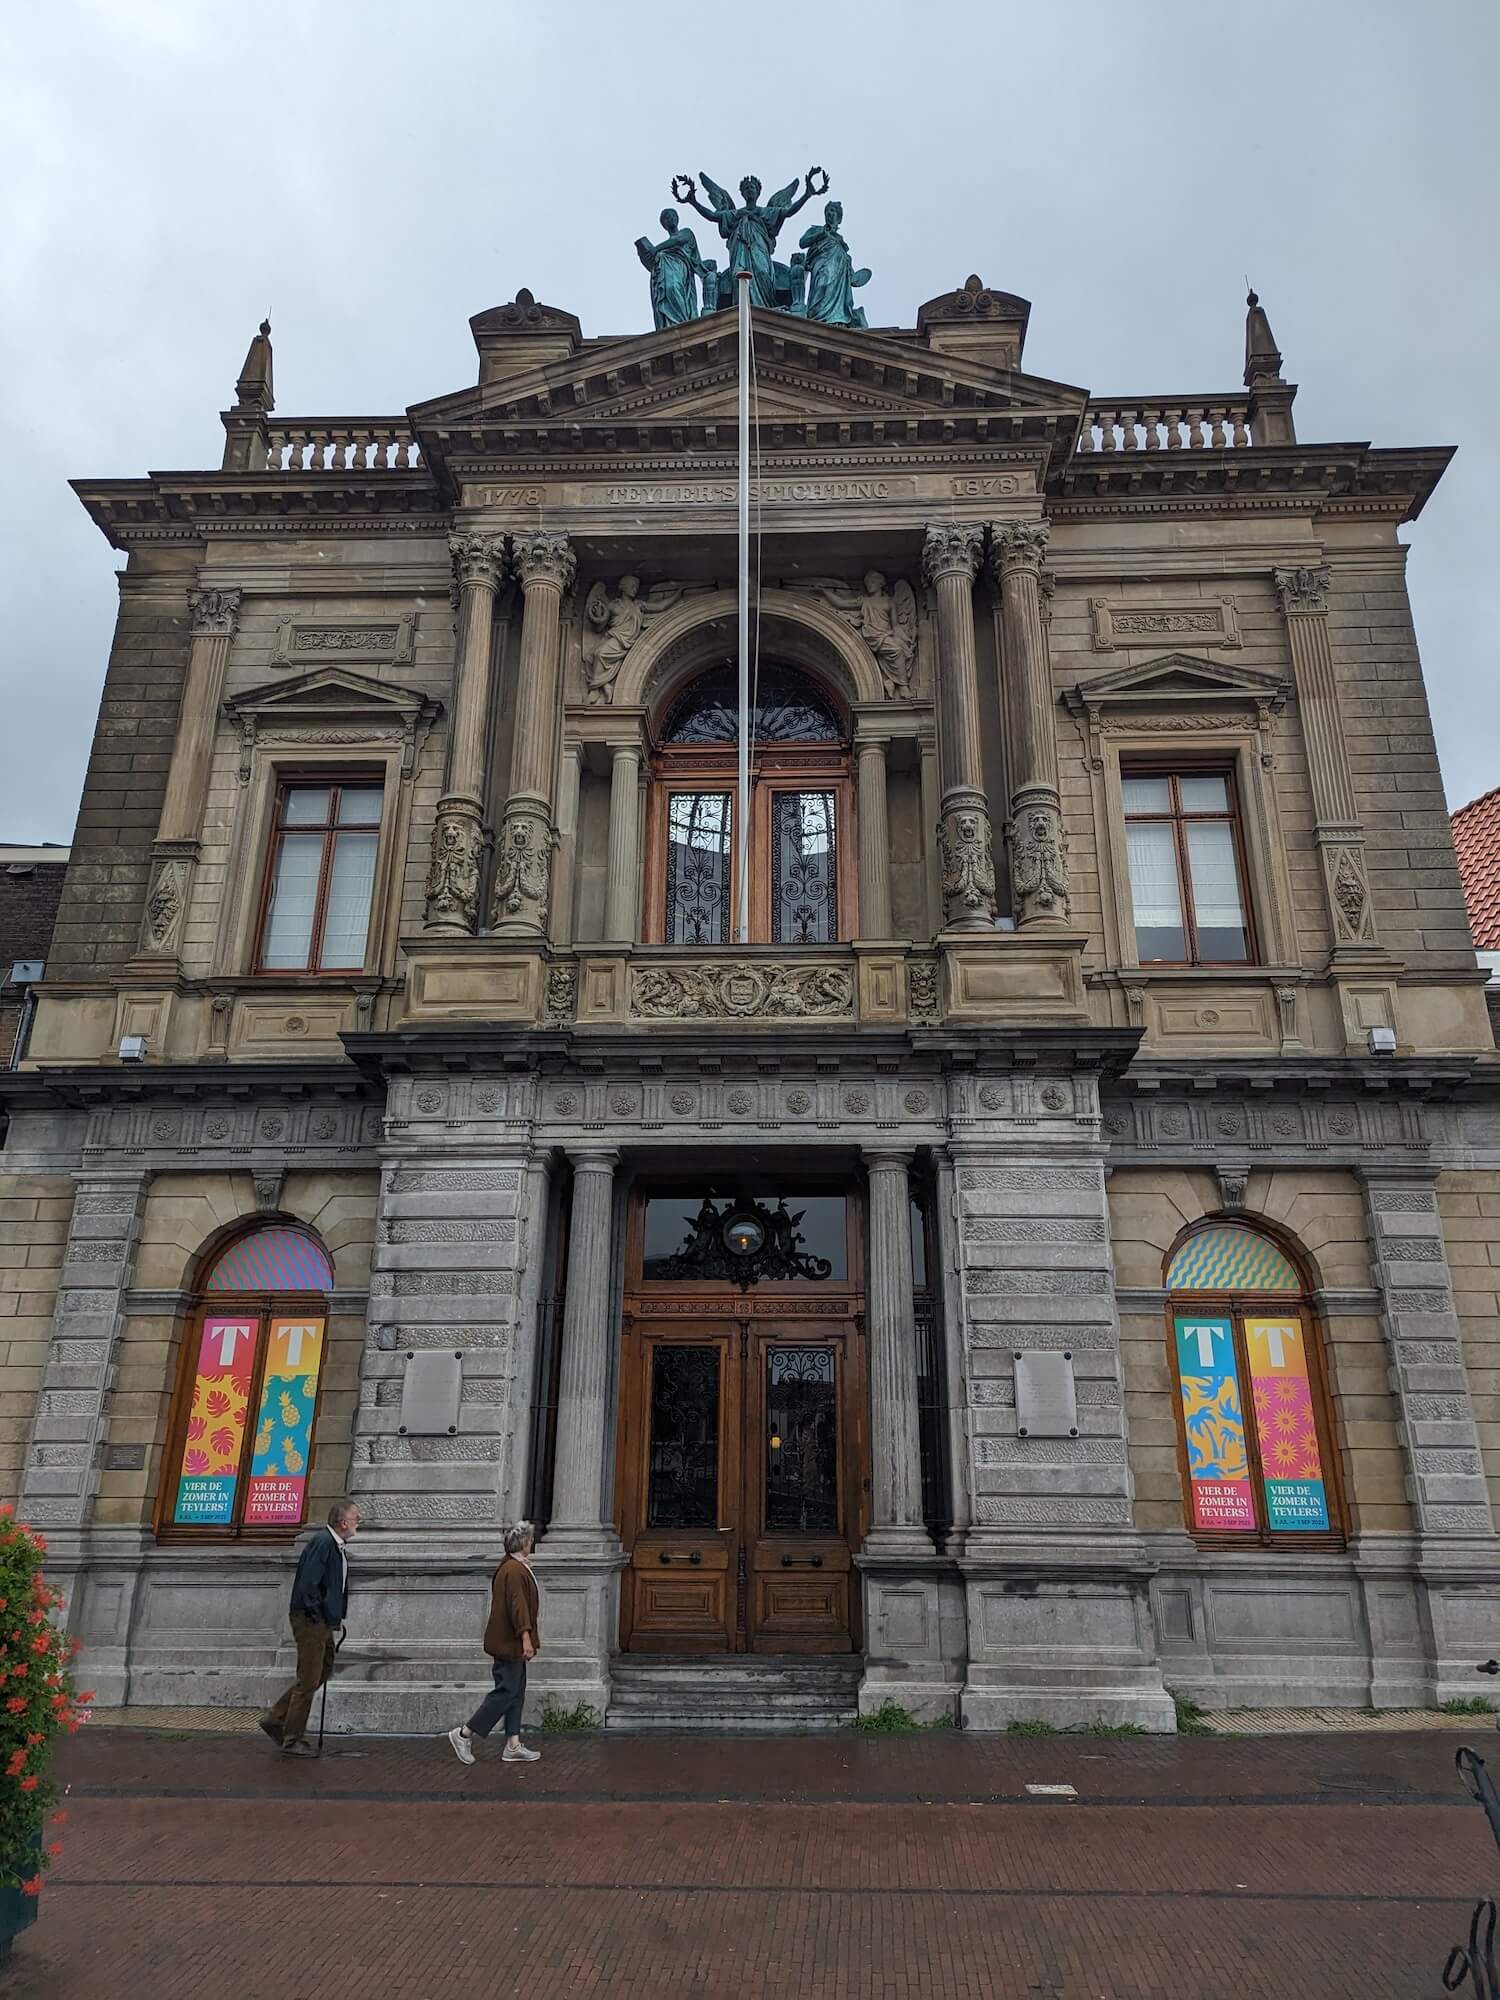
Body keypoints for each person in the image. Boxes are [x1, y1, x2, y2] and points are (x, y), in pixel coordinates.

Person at [259, 1498, 359, 1757]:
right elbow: (309, 1585)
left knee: (321, 1672)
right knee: (309, 1678)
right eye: (356, 1519)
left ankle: (276, 1718)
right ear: (344, 1522)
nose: (358, 1523)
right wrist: (318, 1615)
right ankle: (293, 1739)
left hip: (322, 1620)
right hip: (311, 1620)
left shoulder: (335, 1546)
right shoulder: (324, 1544)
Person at [447, 1521, 541, 1767]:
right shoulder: (514, 1570)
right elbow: (517, 1606)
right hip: (510, 1642)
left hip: (509, 1641)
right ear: (522, 1543)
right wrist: (525, 1637)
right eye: (529, 1540)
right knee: (506, 1691)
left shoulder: (512, 1567)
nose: (532, 1543)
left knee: (516, 1692)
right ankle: (464, 1733)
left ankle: (513, 1743)